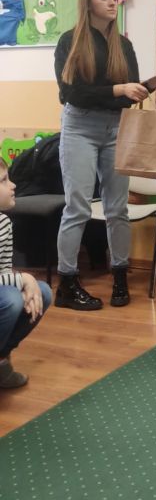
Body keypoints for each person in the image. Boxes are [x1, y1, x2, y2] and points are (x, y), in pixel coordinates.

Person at [54, 0, 156, 311]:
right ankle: (67, 283)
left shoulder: (123, 45)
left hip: (117, 128)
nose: (112, 2)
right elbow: (71, 93)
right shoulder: (70, 41)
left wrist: (150, 84)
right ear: (88, 3)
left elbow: (129, 96)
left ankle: (120, 276)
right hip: (80, 127)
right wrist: (119, 89)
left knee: (118, 208)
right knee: (78, 207)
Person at [0, 157, 52, 388]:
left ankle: (1, 361)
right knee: (12, 299)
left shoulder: (3, 222)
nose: (13, 185)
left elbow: (3, 269)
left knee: (42, 292)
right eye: (3, 181)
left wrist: (23, 284)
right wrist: (24, 278)